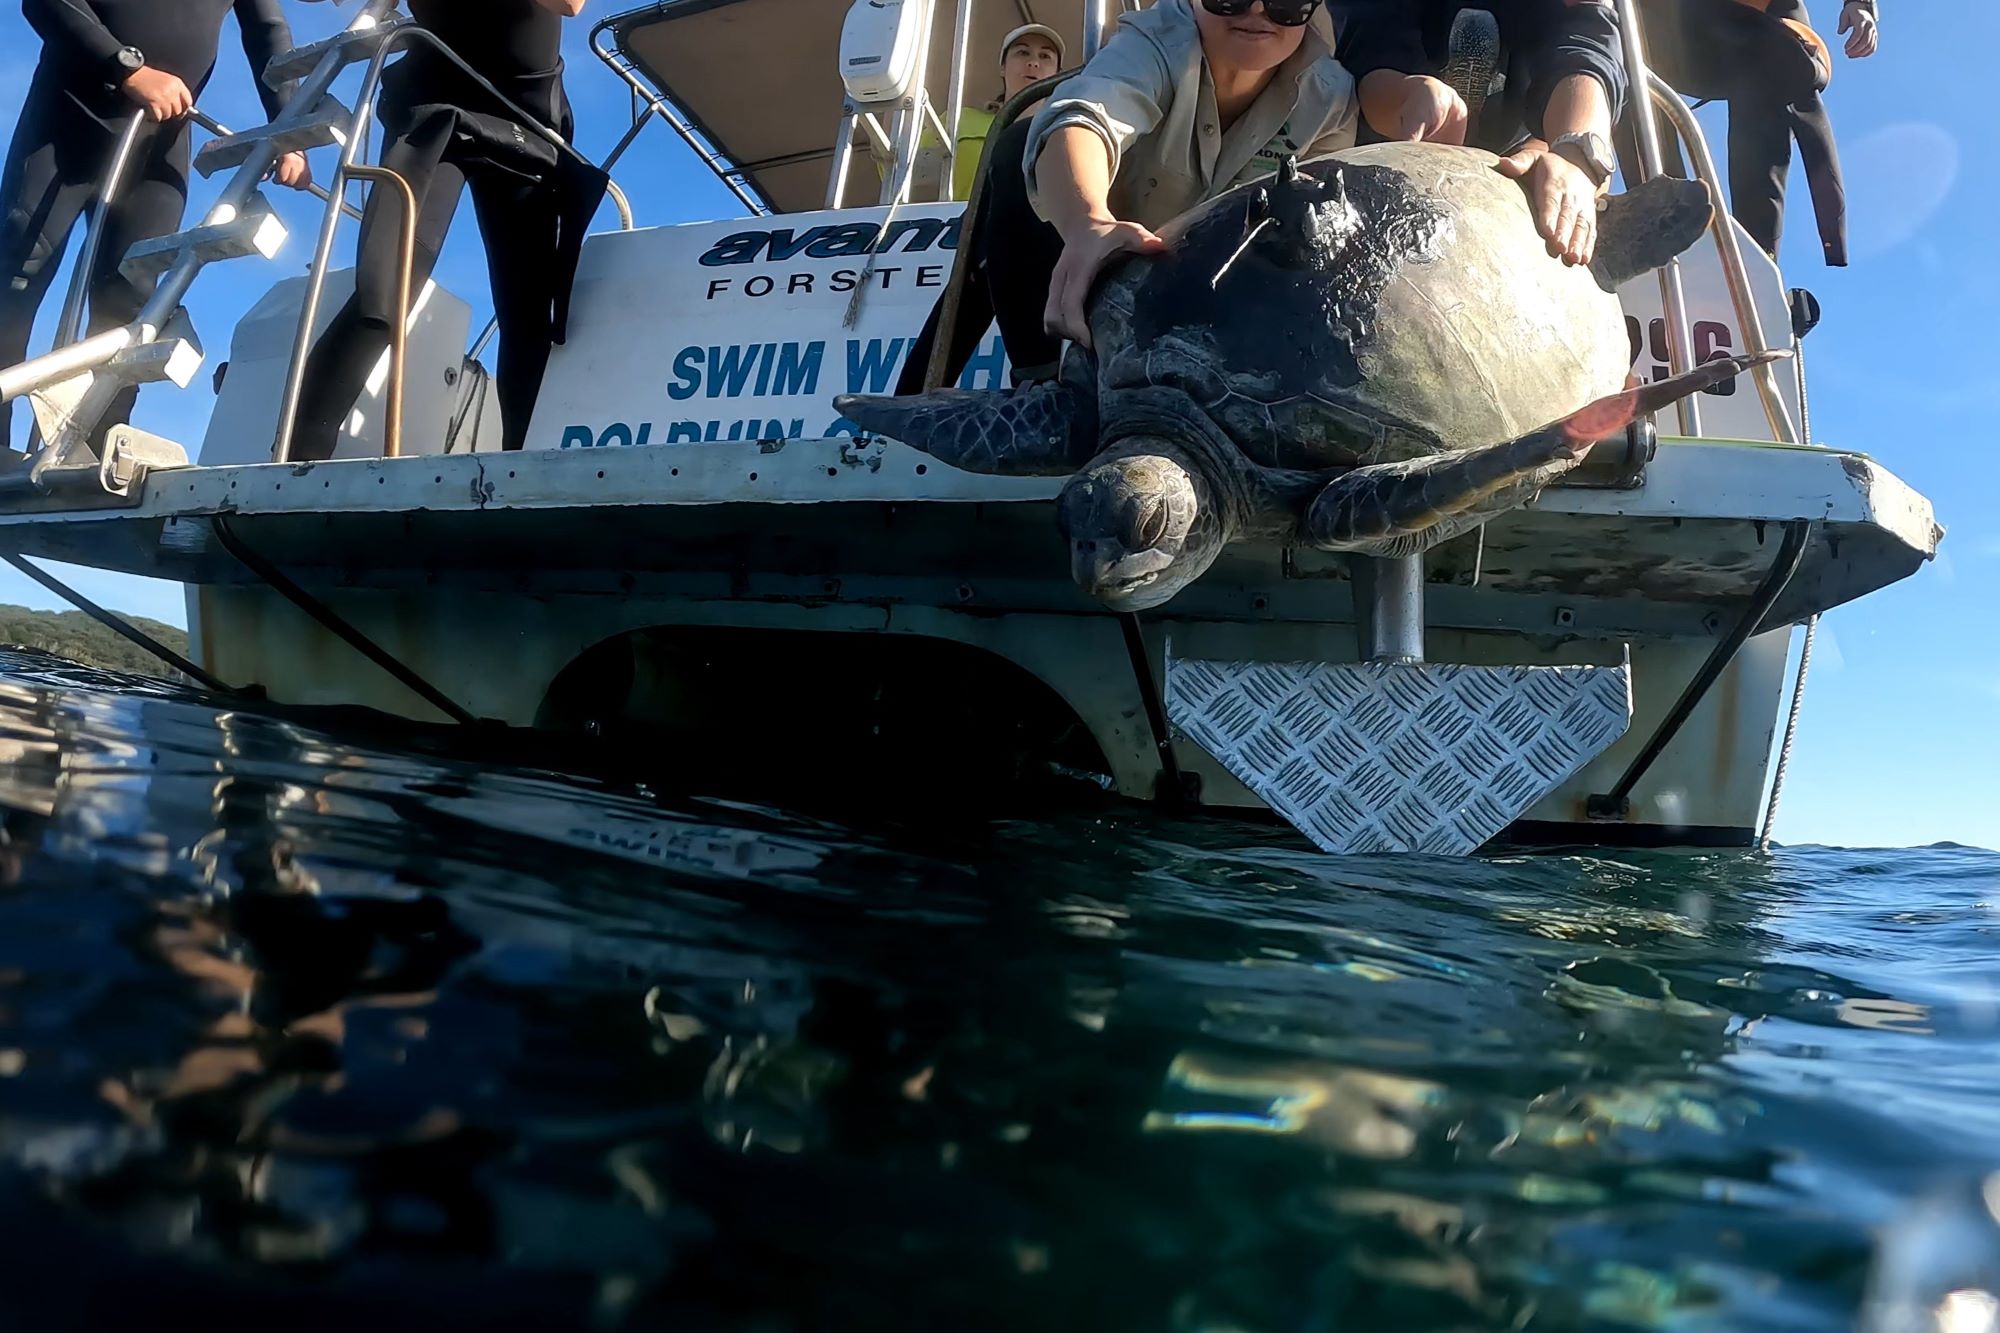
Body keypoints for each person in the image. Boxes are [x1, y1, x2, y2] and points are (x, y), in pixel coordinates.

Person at [897, 0, 1360, 397]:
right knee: (1017, 150)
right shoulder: (1153, 40)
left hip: (1216, 294)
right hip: (1092, 258)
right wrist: (1088, 223)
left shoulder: (1332, 100)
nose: (1258, 9)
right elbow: (1082, 117)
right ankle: (1043, 386)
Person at [291, 0, 607, 460]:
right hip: (437, 102)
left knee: (528, 318)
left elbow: (570, 4)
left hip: (527, 123)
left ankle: (522, 472)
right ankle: (295, 461)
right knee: (386, 289)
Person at [1, 0, 311, 453]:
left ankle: (88, 456)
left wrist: (290, 128)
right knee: (16, 274)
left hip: (161, 143)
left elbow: (267, 31)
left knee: (131, 301)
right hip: (67, 119)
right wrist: (127, 68)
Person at [1331, 0, 1628, 266]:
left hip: (1516, 172)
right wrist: (1406, 96)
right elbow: (1371, 49)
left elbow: (1587, 43)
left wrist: (1575, 153)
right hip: (1381, 166)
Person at [889, 23, 1066, 396]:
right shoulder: (962, 121)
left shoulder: (1070, 122)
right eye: (1022, 53)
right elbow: (903, 171)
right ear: (1002, 66)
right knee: (956, 307)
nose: (1033, 63)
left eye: (1045, 56)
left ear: (1056, 71)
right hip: (977, 243)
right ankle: (907, 404)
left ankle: (1038, 378)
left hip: (1042, 241)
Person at [1630, 0, 1878, 266]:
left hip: (1759, 33)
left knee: (1774, 65)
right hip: (1670, 24)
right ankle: (1661, 217)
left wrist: (1860, 5)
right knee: (1618, 43)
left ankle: (1756, 254)